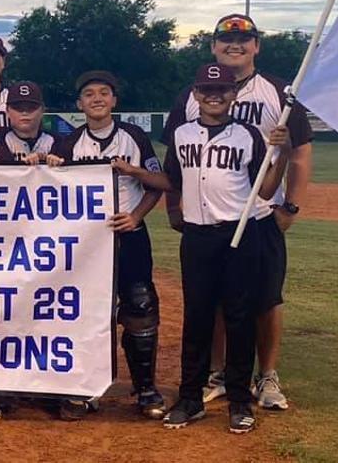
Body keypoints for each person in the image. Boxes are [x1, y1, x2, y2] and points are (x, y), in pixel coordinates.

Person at [120, 63, 291, 434]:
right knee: (197, 317)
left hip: (239, 234)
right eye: (206, 90)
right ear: (196, 94)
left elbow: (264, 190)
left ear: (233, 95)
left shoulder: (247, 134)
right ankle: (190, 399)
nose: (214, 96)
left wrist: (285, 152)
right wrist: (136, 173)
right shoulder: (182, 134)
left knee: (240, 317)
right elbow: (172, 180)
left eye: (222, 90)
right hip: (198, 236)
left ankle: (239, 401)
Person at [161, 14, 313, 410]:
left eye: (244, 39)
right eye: (226, 39)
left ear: (256, 46)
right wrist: (174, 207)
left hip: (260, 214)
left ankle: (267, 376)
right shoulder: (191, 95)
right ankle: (218, 373)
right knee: (211, 300)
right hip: (210, 218)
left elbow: (299, 153)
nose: (235, 45)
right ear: (213, 45)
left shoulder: (279, 91)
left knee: (266, 299)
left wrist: (290, 206)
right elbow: (174, 158)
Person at [50, 71, 165, 421]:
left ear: (114, 100)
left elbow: (159, 183)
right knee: (84, 310)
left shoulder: (133, 136)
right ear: (79, 104)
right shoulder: (67, 144)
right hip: (86, 242)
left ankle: (144, 387)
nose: (97, 98)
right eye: (89, 94)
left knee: (140, 305)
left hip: (128, 234)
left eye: (104, 93)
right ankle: (86, 387)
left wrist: (136, 214)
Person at [0, 81, 60, 165]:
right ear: (7, 111)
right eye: (18, 108)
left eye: (31, 108)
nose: (24, 113)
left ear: (42, 110)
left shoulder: (56, 142)